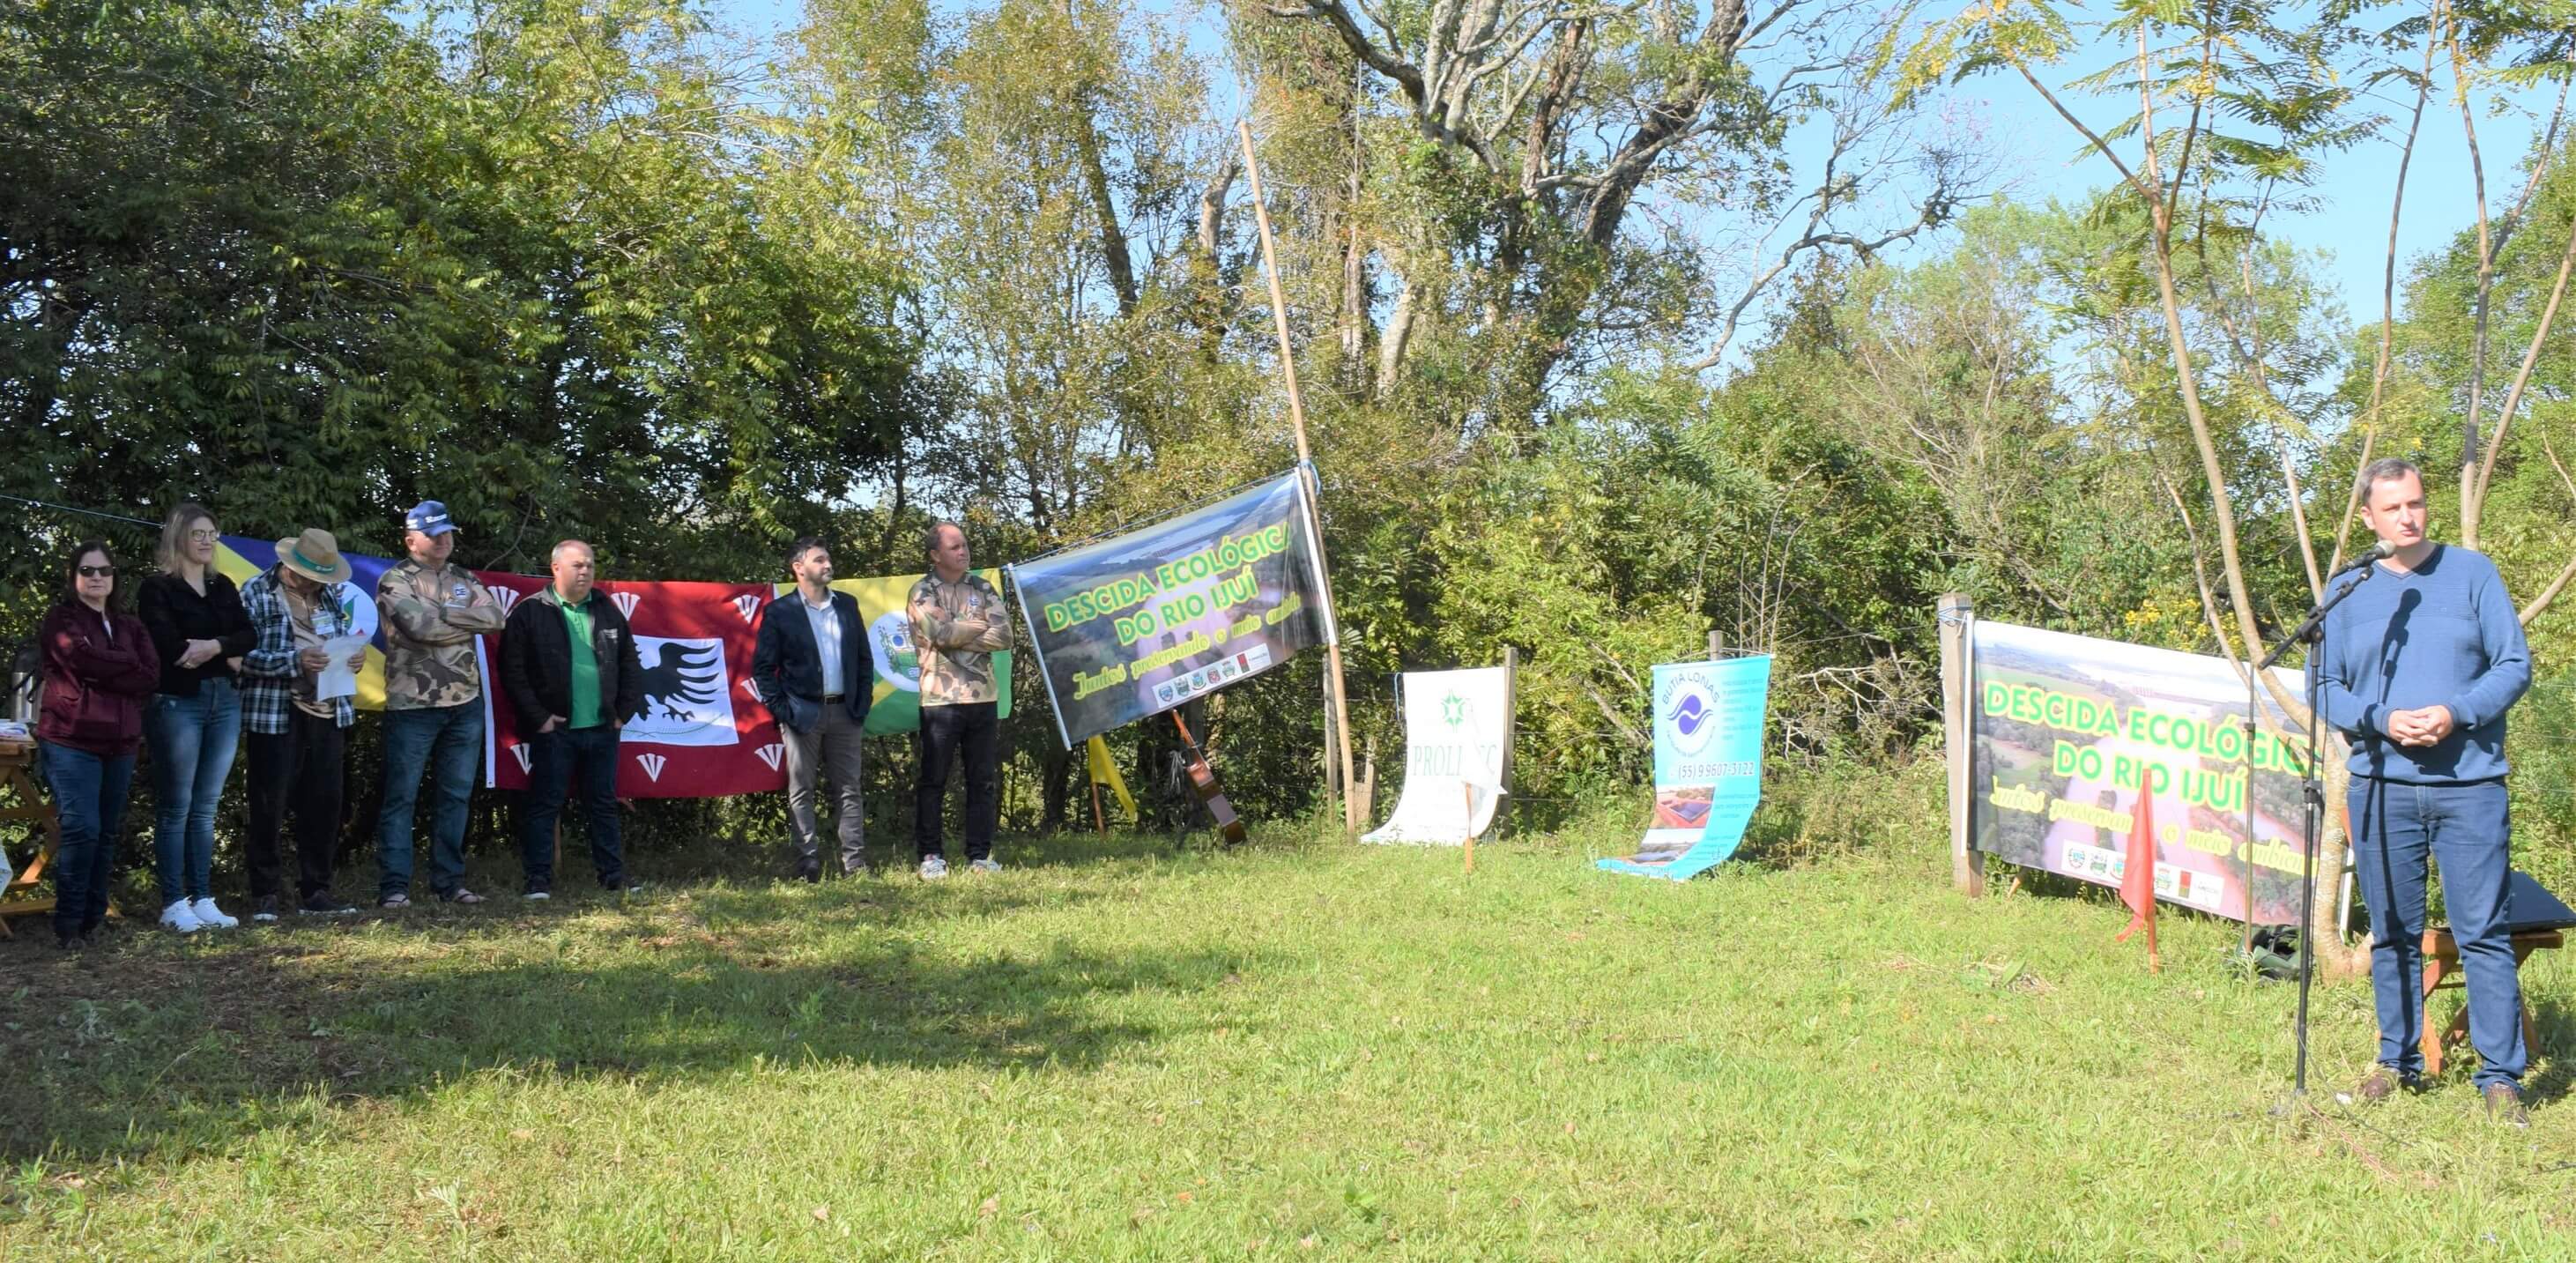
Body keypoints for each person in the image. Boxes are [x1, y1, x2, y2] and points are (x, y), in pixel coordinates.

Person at [2318, 458, 2535, 1126]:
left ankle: (2500, 1078)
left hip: (2468, 785)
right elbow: (2322, 686)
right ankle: (2397, 1061)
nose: (2407, 517)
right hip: (2381, 785)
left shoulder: (2473, 574)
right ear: (2367, 517)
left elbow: (2513, 664)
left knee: (2483, 933)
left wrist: (2456, 712)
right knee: (2391, 933)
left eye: (2415, 503)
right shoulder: (2345, 588)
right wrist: (2380, 718)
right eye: (2392, 508)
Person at [373, 501, 508, 908]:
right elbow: (419, 627)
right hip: (412, 706)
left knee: (455, 796)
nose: (443, 540)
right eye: (434, 535)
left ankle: (449, 884)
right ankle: (395, 888)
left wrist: (444, 613)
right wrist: (462, 619)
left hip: (465, 703)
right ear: (411, 539)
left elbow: (496, 618)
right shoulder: (394, 580)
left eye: (447, 533)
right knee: (401, 797)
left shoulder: (464, 577)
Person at [499, 539, 643, 897]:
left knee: (604, 804)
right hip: (555, 730)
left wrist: (622, 713)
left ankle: (612, 876)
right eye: (578, 565)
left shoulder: (608, 610)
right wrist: (540, 718)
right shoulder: (530, 612)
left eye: (590, 565)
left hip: (602, 728)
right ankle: (538, 880)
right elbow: (512, 671)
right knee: (545, 804)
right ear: (556, 569)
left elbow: (630, 663)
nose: (585, 572)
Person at [34, 540, 160, 948]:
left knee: (105, 833)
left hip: (121, 741)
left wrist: (107, 663)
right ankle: (68, 925)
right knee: (82, 829)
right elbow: (80, 661)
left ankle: (92, 922)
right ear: (74, 577)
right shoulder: (61, 618)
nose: (96, 578)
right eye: (87, 571)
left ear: (114, 577)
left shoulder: (130, 624)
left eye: (104, 571)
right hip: (71, 739)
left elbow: (150, 675)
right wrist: (125, 662)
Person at [239, 528, 367, 919]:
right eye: (315, 576)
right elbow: (238, 654)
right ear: (293, 567)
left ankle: (317, 890)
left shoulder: (328, 595)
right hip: (276, 711)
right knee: (269, 802)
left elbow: (339, 640)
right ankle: (265, 893)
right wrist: (294, 662)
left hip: (329, 707)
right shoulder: (256, 591)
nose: (319, 584)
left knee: (325, 803)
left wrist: (352, 659)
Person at [137, 502, 254, 932]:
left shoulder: (222, 585)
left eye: (212, 534)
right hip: (177, 702)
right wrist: (224, 650)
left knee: (206, 807)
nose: (207, 541)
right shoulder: (157, 588)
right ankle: (173, 901)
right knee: (176, 805)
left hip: (223, 700)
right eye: (199, 533)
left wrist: (212, 647)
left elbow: (248, 634)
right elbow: (167, 643)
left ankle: (203, 897)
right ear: (178, 538)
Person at [751, 537, 874, 881]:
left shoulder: (847, 605)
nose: (827, 564)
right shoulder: (780, 612)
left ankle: (855, 864)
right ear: (798, 567)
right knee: (800, 789)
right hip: (801, 713)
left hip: (846, 712)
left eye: (828, 558)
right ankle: (808, 863)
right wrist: (783, 711)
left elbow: (864, 660)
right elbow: (763, 669)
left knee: (849, 788)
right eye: (819, 559)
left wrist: (861, 704)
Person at [907, 521, 1012, 879]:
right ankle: (931, 856)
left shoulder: (982, 586)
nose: (963, 551)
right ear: (936, 554)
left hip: (982, 698)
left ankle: (979, 856)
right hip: (940, 700)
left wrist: (957, 631)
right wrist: (978, 626)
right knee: (933, 780)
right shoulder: (923, 591)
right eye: (954, 547)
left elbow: (1005, 635)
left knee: (981, 780)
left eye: (964, 545)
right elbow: (938, 632)